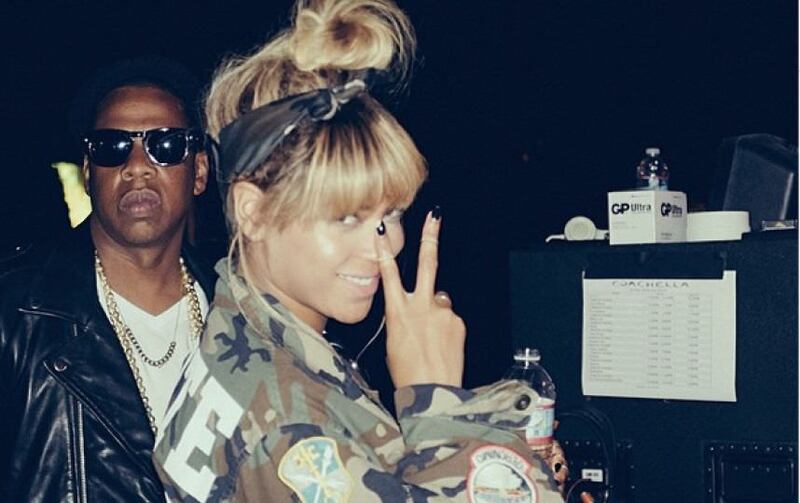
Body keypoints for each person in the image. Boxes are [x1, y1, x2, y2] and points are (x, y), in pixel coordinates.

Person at [153, 1, 564, 501]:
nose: (384, 245)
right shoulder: (292, 431)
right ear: (253, 213)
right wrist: (438, 400)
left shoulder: (246, 330)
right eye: (347, 217)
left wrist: (502, 450)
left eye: (392, 213)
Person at [0, 56, 216, 501]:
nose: (137, 165)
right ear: (88, 173)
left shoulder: (244, 312)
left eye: (165, 144)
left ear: (198, 172)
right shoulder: (15, 313)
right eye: (111, 146)